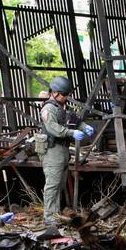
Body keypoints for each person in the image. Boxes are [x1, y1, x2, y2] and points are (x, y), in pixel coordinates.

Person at [40, 76, 94, 226]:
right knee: (52, 184)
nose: (66, 97)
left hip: (63, 150)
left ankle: (55, 214)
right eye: (64, 95)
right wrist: (71, 133)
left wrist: (84, 127)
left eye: (67, 95)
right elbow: (53, 128)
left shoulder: (63, 107)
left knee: (60, 184)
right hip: (52, 151)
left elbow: (74, 120)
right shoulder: (48, 108)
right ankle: (49, 216)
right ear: (55, 93)